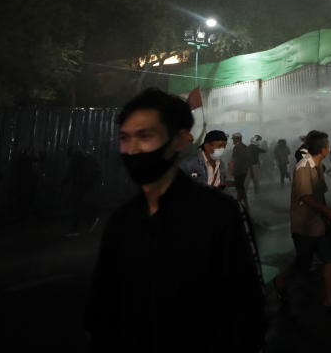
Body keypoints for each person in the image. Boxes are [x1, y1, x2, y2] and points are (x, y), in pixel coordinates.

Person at [84, 89, 265, 352]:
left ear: (179, 140)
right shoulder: (122, 221)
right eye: (125, 138)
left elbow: (248, 308)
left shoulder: (220, 214)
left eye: (145, 136)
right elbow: (101, 310)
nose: (132, 149)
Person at [273, 130, 331, 312]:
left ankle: (329, 300)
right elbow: (306, 197)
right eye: (327, 145)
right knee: (302, 264)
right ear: (322, 149)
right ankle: (281, 280)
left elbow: (320, 194)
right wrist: (329, 211)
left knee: (330, 259)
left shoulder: (318, 166)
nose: (330, 147)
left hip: (320, 224)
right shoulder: (304, 168)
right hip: (305, 226)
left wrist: (327, 215)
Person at [62, 148, 102, 237]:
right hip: (87, 185)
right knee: (83, 204)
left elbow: (69, 173)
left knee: (76, 207)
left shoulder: (74, 160)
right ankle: (90, 221)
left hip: (78, 186)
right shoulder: (87, 159)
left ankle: (74, 229)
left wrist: (64, 182)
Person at [230, 132, 251, 209]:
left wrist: (232, 170)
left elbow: (235, 160)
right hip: (243, 171)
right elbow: (248, 159)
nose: (233, 141)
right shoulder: (245, 147)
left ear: (237, 139)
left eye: (234, 139)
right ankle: (245, 204)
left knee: (239, 188)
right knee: (241, 188)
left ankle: (237, 204)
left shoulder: (236, 148)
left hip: (238, 171)